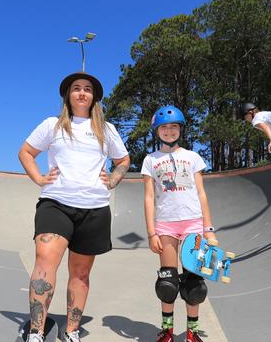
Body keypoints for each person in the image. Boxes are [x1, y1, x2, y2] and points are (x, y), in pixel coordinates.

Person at [18, 72, 131, 342]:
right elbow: (26, 152)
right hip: (56, 204)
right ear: (68, 95)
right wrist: (38, 177)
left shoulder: (107, 130)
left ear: (94, 97)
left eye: (87, 89)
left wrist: (114, 178)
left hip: (94, 208)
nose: (82, 93)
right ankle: (36, 330)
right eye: (76, 88)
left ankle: (71, 331)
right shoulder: (52, 125)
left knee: (80, 274)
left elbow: (124, 159)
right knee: (45, 262)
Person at [141, 105, 215, 342]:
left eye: (174, 127)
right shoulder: (151, 160)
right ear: (157, 130)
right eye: (165, 127)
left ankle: (192, 333)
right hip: (165, 225)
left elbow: (202, 193)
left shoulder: (193, 157)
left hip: (193, 223)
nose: (170, 131)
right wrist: (152, 233)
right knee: (167, 283)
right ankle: (168, 331)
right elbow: (149, 197)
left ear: (180, 129)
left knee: (194, 284)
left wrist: (209, 230)